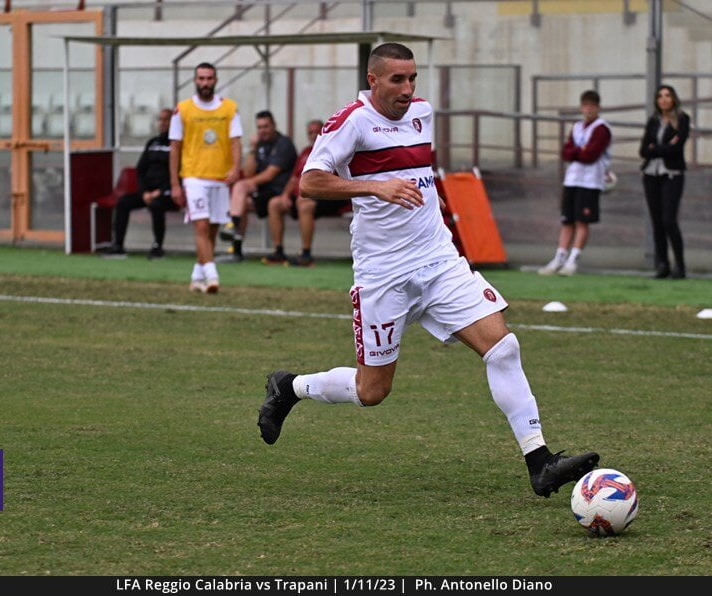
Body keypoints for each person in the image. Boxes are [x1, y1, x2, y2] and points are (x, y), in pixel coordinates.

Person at [256, 42, 600, 498]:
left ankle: (540, 461)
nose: (407, 88)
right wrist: (373, 187)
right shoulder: (351, 122)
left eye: (413, 77)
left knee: (503, 348)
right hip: (383, 275)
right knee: (372, 390)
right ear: (373, 79)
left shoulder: (423, 113)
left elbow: (417, 174)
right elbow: (310, 182)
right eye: (397, 79)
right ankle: (290, 387)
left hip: (439, 261)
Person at [169, 62, 242, 294]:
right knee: (200, 226)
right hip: (193, 177)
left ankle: (196, 277)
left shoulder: (229, 108)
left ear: (216, 80)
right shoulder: (183, 109)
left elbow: (235, 141)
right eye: (201, 78)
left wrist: (235, 168)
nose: (205, 83)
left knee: (211, 231)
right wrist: (175, 183)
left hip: (220, 178)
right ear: (195, 81)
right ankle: (212, 276)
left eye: (209, 78)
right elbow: (175, 147)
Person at [539, 90, 612, 276]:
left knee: (582, 221)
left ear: (598, 107)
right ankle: (559, 257)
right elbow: (566, 152)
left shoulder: (602, 128)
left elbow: (590, 155)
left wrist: (578, 151)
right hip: (572, 179)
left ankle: (573, 259)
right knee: (567, 220)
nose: (588, 109)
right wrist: (579, 150)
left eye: (592, 105)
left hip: (590, 181)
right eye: (585, 105)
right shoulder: (577, 126)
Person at [268, 119, 351, 267]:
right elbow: (294, 177)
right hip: (303, 194)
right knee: (275, 203)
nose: (313, 135)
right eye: (310, 133)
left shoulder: (334, 149)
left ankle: (306, 255)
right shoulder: (306, 152)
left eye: (316, 132)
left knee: (304, 204)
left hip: (329, 197)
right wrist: (285, 195)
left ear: (323, 132)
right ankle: (278, 252)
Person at [219, 111, 297, 263]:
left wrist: (247, 184)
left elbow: (269, 175)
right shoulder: (259, 144)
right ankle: (236, 251)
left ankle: (232, 224)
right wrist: (252, 148)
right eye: (259, 127)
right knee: (242, 201)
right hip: (264, 193)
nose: (262, 130)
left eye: (266, 126)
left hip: (281, 192)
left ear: (274, 125)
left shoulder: (284, 144)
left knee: (241, 187)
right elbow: (248, 172)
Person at [102, 108, 175, 260]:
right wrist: (144, 192)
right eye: (160, 119)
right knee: (123, 202)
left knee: (156, 205)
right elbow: (140, 170)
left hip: (167, 194)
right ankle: (118, 246)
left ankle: (157, 247)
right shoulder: (152, 143)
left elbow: (178, 173)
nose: (162, 123)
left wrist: (159, 191)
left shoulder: (177, 145)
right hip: (147, 192)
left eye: (166, 120)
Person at [639, 85, 690, 279]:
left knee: (669, 219)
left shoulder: (682, 119)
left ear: (674, 99)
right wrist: (664, 146)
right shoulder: (653, 121)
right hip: (651, 174)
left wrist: (656, 148)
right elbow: (643, 150)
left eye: (667, 96)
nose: (664, 99)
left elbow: (677, 149)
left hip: (672, 174)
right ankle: (662, 264)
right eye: (660, 96)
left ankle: (680, 264)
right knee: (657, 221)